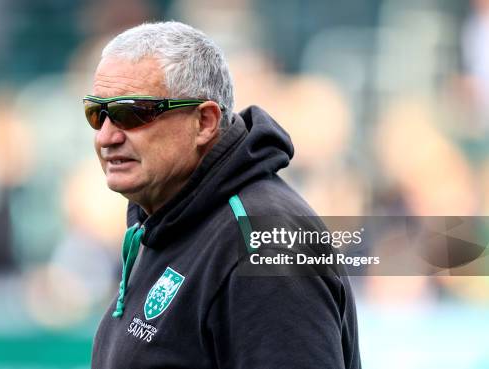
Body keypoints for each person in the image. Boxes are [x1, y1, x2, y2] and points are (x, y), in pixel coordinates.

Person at [85, 21, 361, 369]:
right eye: (98, 114)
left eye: (131, 114)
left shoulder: (265, 245)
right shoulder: (166, 215)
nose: (106, 137)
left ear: (204, 122)